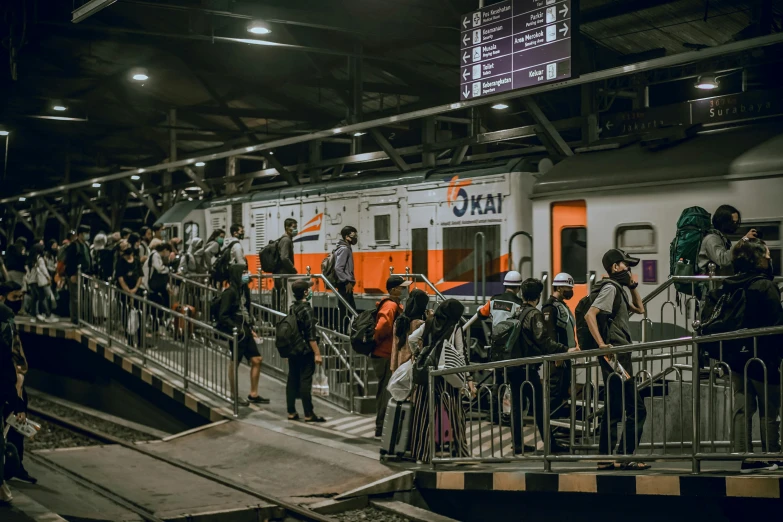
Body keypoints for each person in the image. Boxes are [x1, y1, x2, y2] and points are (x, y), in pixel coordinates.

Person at [716, 238, 783, 472]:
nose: (769, 258)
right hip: (763, 358)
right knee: (769, 409)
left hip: (736, 358)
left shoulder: (729, 284)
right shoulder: (764, 286)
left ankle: (743, 458)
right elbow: (777, 325)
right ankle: (772, 456)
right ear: (757, 259)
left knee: (743, 408)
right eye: (766, 255)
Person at [585, 248, 648, 471]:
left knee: (614, 406)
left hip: (616, 354)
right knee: (637, 409)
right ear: (615, 267)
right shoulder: (610, 288)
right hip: (616, 355)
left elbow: (640, 309)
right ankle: (624, 456)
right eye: (625, 264)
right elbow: (589, 315)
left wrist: (632, 288)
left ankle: (606, 457)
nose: (628, 268)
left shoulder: (618, 289)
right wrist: (602, 345)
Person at [504, 278, 574, 454]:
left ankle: (518, 445)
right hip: (528, 369)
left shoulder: (518, 311)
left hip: (514, 366)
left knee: (518, 408)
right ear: (538, 296)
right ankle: (550, 444)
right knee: (540, 408)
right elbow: (543, 341)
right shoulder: (534, 315)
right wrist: (565, 350)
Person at [408, 299, 472, 463]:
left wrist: (419, 353)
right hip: (446, 376)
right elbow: (461, 353)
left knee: (423, 416)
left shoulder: (429, 322)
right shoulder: (455, 327)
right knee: (456, 415)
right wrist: (465, 378)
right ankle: (461, 453)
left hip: (427, 376)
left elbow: (412, 339)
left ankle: (421, 455)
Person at [0, 283, 36, 484]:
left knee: (15, 426)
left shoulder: (8, 319)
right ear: (2, 297)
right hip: (10, 381)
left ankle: (15, 466)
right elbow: (9, 355)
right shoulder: (5, 320)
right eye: (15, 296)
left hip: (14, 379)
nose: (19, 300)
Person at [218, 264, 269, 406]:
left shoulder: (243, 291)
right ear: (236, 275)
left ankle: (253, 394)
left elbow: (245, 311)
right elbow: (223, 315)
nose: (247, 274)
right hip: (237, 332)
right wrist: (236, 328)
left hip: (245, 330)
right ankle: (234, 395)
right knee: (234, 363)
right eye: (243, 272)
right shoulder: (229, 293)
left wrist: (250, 328)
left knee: (257, 359)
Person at [370, 275, 410, 437]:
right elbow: (382, 327)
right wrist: (377, 341)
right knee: (386, 391)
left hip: (384, 353)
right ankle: (381, 426)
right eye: (402, 287)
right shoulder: (390, 306)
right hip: (384, 354)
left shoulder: (391, 304)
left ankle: (383, 425)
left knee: (385, 390)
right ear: (394, 289)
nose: (404, 290)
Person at [286, 279, 325, 423]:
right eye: (308, 289)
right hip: (305, 351)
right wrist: (317, 353)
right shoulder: (307, 309)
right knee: (305, 382)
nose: (310, 291)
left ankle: (291, 411)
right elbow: (311, 335)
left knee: (292, 380)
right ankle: (308, 413)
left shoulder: (292, 308)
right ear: (305, 292)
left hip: (293, 349)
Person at [542, 272, 577, 416]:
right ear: (559, 288)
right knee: (554, 390)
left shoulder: (561, 306)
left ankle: (560, 423)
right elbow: (550, 332)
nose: (570, 291)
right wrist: (557, 354)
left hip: (565, 354)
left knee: (563, 389)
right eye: (568, 288)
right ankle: (551, 424)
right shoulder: (550, 307)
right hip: (558, 356)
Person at [699, 205, 757, 277]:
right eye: (732, 222)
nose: (735, 225)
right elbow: (723, 260)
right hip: (710, 286)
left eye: (736, 222)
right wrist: (744, 239)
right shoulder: (711, 239)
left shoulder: (722, 238)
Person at [391, 289, 430, 372]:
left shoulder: (399, 321)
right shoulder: (420, 324)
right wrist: (429, 320)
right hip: (412, 366)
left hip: (399, 364)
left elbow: (395, 346)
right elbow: (420, 349)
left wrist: (393, 368)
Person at [64, 225, 92, 324]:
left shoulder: (86, 245)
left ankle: (84, 318)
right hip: (75, 274)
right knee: (75, 298)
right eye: (85, 233)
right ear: (80, 234)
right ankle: (75, 319)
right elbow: (69, 261)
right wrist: (72, 274)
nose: (87, 235)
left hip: (85, 275)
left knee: (84, 297)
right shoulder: (73, 246)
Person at [334, 226, 358, 332]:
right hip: (345, 285)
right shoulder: (344, 249)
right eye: (353, 235)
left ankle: (342, 331)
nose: (355, 238)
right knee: (347, 310)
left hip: (345, 284)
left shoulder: (344, 247)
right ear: (347, 237)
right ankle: (341, 332)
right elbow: (338, 268)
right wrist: (346, 281)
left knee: (348, 310)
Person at [273, 219, 298, 311]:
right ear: (287, 228)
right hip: (283, 274)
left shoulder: (286, 239)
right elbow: (284, 257)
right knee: (283, 298)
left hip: (282, 273)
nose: (296, 229)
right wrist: (293, 269)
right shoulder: (286, 240)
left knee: (282, 297)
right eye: (294, 227)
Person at [29, 244, 55, 322]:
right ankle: (48, 314)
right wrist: (48, 277)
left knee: (35, 299)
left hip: (32, 280)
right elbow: (43, 269)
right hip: (38, 281)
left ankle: (35, 315)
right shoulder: (40, 259)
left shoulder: (32, 258)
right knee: (42, 297)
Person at [143, 242, 172, 311]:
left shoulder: (156, 255)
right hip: (149, 283)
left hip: (151, 283)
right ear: (165, 250)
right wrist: (167, 269)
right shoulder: (155, 255)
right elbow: (159, 268)